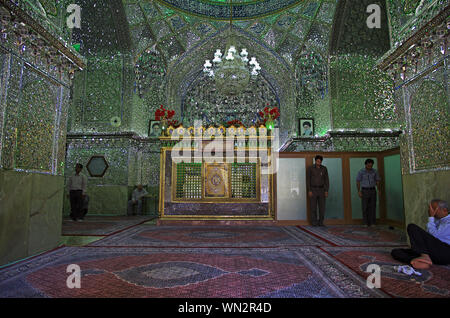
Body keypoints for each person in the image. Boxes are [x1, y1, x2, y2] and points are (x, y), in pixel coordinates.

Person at [391, 200, 450, 269]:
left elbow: (435, 236)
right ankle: (417, 262)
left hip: (446, 253)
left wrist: (431, 218)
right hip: (434, 254)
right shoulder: (438, 220)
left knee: (412, 227)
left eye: (433, 209)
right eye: (430, 209)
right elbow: (429, 237)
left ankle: (425, 256)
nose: (430, 211)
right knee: (396, 252)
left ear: (444, 210)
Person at [356, 159, 381, 227]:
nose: (370, 167)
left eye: (371, 165)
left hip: (373, 190)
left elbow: (378, 181)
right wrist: (359, 191)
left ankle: (373, 222)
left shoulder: (375, 171)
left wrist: (379, 190)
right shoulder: (361, 172)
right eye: (369, 166)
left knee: (373, 206)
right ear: (366, 165)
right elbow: (358, 181)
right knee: (365, 207)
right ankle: (365, 223)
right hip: (364, 190)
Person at [306, 155, 329, 227]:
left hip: (322, 190)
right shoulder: (310, 168)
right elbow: (308, 180)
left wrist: (326, 190)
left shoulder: (324, 168)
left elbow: (326, 180)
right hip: (313, 189)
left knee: (322, 207)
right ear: (315, 161)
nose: (319, 162)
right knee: (313, 207)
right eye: (317, 161)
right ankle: (314, 222)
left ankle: (321, 222)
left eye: (320, 161)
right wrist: (309, 190)